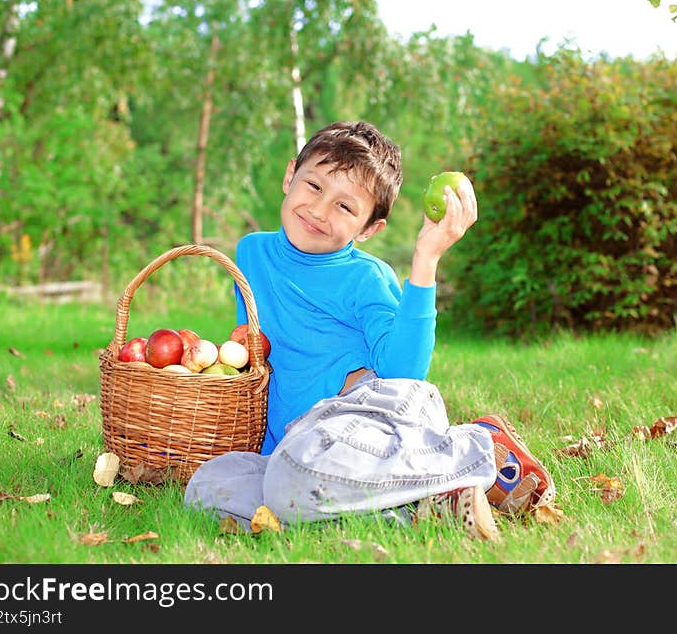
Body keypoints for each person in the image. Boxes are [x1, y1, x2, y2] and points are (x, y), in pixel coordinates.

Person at [184, 120, 555, 541]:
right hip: (297, 443)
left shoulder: (367, 277)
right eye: (314, 186)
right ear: (290, 175)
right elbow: (253, 347)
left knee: (292, 480)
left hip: (372, 418)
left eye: (345, 207)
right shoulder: (251, 254)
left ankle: (476, 449)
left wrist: (426, 258)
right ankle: (426, 509)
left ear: (368, 230)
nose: (319, 210)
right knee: (208, 486)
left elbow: (404, 373)